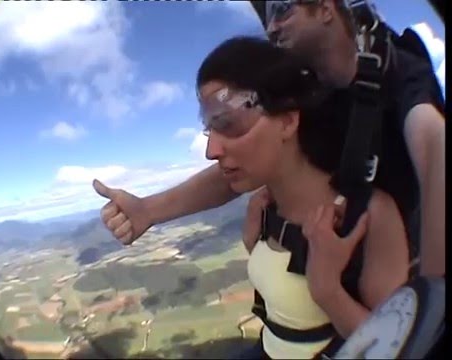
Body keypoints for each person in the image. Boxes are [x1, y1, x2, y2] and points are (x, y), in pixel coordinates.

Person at [93, 0, 444, 278]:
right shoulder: (310, 94)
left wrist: (432, 297)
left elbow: (433, 145)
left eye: (280, 9)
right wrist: (148, 210)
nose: (271, 25)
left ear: (325, 8)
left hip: (393, 273)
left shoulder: (400, 73)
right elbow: (238, 163)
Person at [149, 35, 410, 359]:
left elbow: (394, 350)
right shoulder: (266, 207)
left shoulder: (368, 215)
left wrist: (327, 289)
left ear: (287, 121)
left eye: (228, 123)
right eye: (209, 129)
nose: (211, 150)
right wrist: (254, 246)